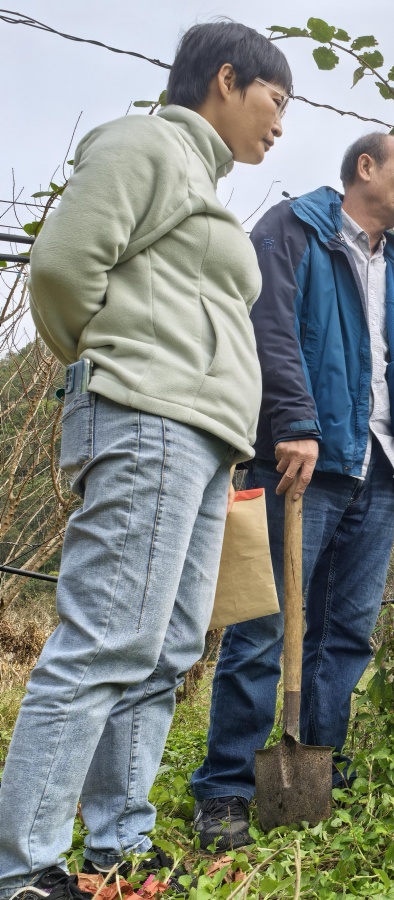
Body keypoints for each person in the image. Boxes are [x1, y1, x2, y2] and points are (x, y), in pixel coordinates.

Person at [0, 22, 291, 900]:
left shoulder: (200, 184)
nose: (280, 124)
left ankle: (116, 845)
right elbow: (59, 269)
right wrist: (110, 363)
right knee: (105, 641)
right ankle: (23, 867)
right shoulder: (144, 144)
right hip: (149, 416)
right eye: (275, 103)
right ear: (228, 80)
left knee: (164, 649)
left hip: (200, 436)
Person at [189, 133, 394, 849]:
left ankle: (316, 765)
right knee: (264, 626)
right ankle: (227, 788)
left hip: (377, 467)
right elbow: (270, 331)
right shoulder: (293, 229)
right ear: (366, 167)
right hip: (304, 459)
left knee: (347, 633)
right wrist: (294, 421)